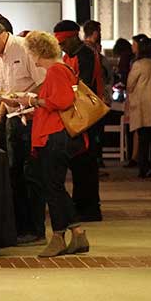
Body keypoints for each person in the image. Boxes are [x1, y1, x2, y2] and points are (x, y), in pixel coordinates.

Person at [3, 31, 90, 257]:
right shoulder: (62, 69)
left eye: (30, 52)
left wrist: (30, 100)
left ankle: (60, 236)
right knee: (54, 186)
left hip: (55, 137)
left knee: (52, 187)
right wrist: (36, 108)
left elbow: (61, 101)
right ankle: (76, 233)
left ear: (38, 52)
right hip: (57, 134)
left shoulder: (56, 71)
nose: (30, 57)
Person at [0, 18, 47, 245]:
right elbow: (7, 88)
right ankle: (20, 227)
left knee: (30, 175)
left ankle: (35, 229)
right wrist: (3, 109)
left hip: (30, 119)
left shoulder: (25, 48)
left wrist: (24, 100)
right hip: (12, 120)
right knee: (14, 174)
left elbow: (43, 82)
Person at [53, 20, 102, 222]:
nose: (62, 47)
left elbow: (84, 85)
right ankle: (82, 204)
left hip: (89, 116)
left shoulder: (86, 55)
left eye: (64, 42)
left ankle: (89, 208)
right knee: (79, 162)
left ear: (74, 37)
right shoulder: (69, 56)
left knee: (87, 162)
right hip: (77, 115)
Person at [127, 35, 151, 178]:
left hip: (144, 107)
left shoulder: (139, 64)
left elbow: (130, 84)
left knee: (143, 140)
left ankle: (143, 168)